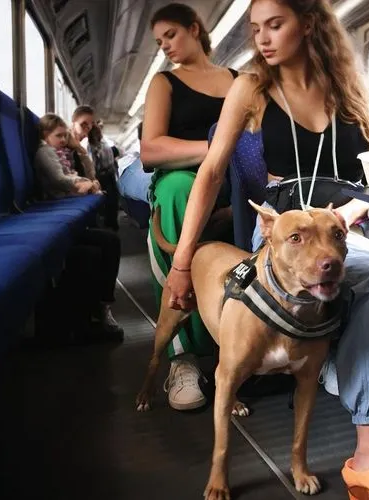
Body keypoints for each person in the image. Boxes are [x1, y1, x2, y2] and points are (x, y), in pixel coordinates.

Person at [163, 0, 369, 498]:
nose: (262, 38)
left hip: (347, 226)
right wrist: (182, 261)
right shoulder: (252, 86)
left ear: (311, 23)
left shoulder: (347, 86)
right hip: (287, 231)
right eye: (256, 28)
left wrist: (365, 207)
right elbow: (211, 172)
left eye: (275, 24)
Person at [140, 3, 238, 411]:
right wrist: (215, 149)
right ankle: (183, 356)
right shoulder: (165, 83)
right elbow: (150, 150)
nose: (165, 46)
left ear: (194, 28)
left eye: (170, 35)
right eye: (160, 41)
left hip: (234, 177)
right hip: (181, 178)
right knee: (183, 189)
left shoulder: (239, 80)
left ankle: (246, 341)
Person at [34, 113, 124, 343]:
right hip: (56, 204)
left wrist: (81, 158)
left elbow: (89, 173)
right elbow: (58, 179)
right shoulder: (45, 152)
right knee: (90, 252)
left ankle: (102, 306)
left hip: (68, 201)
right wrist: (81, 183)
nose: (64, 139)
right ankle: (83, 320)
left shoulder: (65, 152)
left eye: (66, 135)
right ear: (46, 135)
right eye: (59, 135)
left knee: (111, 241)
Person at [88, 124, 120, 231]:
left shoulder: (102, 144)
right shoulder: (91, 146)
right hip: (101, 175)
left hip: (108, 173)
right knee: (109, 199)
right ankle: (109, 222)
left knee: (113, 198)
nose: (98, 134)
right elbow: (93, 163)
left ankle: (111, 222)